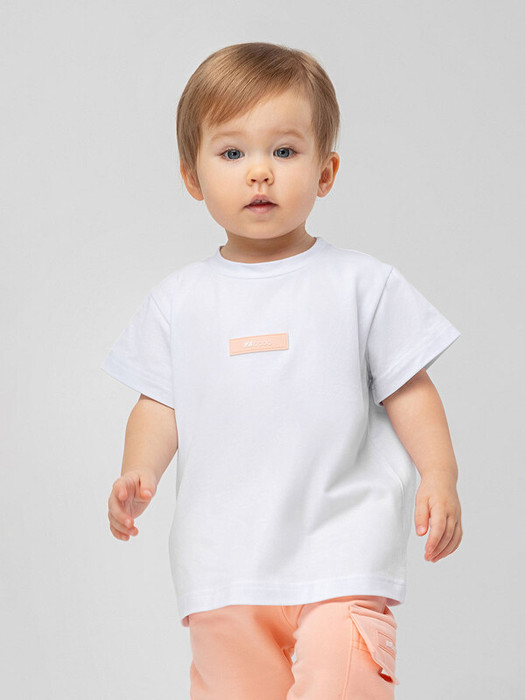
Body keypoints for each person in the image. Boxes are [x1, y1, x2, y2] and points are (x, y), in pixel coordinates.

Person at [102, 41, 463, 699]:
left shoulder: (362, 284)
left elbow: (410, 388)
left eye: (285, 151)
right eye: (232, 153)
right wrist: (139, 470)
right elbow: (158, 403)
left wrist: (440, 475)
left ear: (326, 171)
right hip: (223, 566)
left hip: (343, 551)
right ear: (191, 176)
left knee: (342, 683)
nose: (260, 173)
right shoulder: (178, 300)